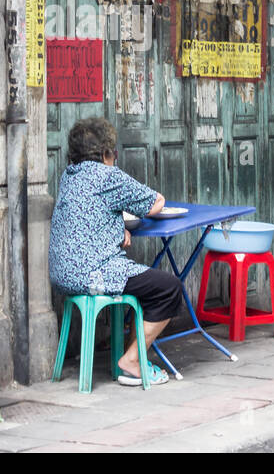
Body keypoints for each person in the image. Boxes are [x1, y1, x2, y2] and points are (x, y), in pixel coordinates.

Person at [48, 118, 180, 385]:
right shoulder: (108, 176)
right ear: (106, 153)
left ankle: (131, 358)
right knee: (169, 288)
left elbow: (87, 216)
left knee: (145, 286)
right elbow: (155, 203)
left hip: (63, 274)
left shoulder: (69, 175)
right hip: (94, 273)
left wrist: (118, 229)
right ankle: (131, 360)